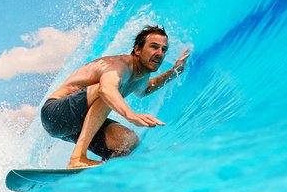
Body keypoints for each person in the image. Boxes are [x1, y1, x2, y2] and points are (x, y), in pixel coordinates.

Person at [41, 25, 190, 168]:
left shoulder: (142, 75)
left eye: (164, 49)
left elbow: (145, 89)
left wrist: (175, 71)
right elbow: (106, 89)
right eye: (154, 46)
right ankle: (77, 158)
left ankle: (105, 171)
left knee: (128, 141)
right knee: (107, 90)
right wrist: (131, 115)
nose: (160, 53)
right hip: (54, 114)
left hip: (76, 126)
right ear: (138, 50)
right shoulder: (120, 66)